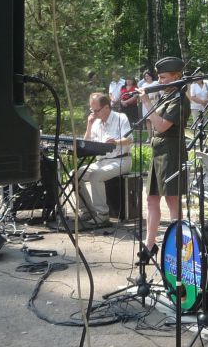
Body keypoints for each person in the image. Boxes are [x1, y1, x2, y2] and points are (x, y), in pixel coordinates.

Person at [137, 57, 190, 258]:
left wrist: (146, 101)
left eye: (164, 77)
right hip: (158, 151)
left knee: (172, 199)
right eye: (159, 77)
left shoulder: (179, 99)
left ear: (176, 77)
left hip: (171, 152)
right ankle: (149, 245)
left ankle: (179, 248)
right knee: (151, 199)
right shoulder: (166, 96)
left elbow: (160, 126)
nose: (159, 81)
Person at [77, 92, 133, 228]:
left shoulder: (120, 117)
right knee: (75, 175)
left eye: (96, 110)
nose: (94, 114)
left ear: (107, 107)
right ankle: (87, 210)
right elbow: (85, 144)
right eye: (92, 110)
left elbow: (130, 139)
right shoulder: (95, 122)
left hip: (121, 160)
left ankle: (102, 215)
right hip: (101, 162)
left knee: (96, 175)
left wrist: (116, 142)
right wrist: (89, 124)